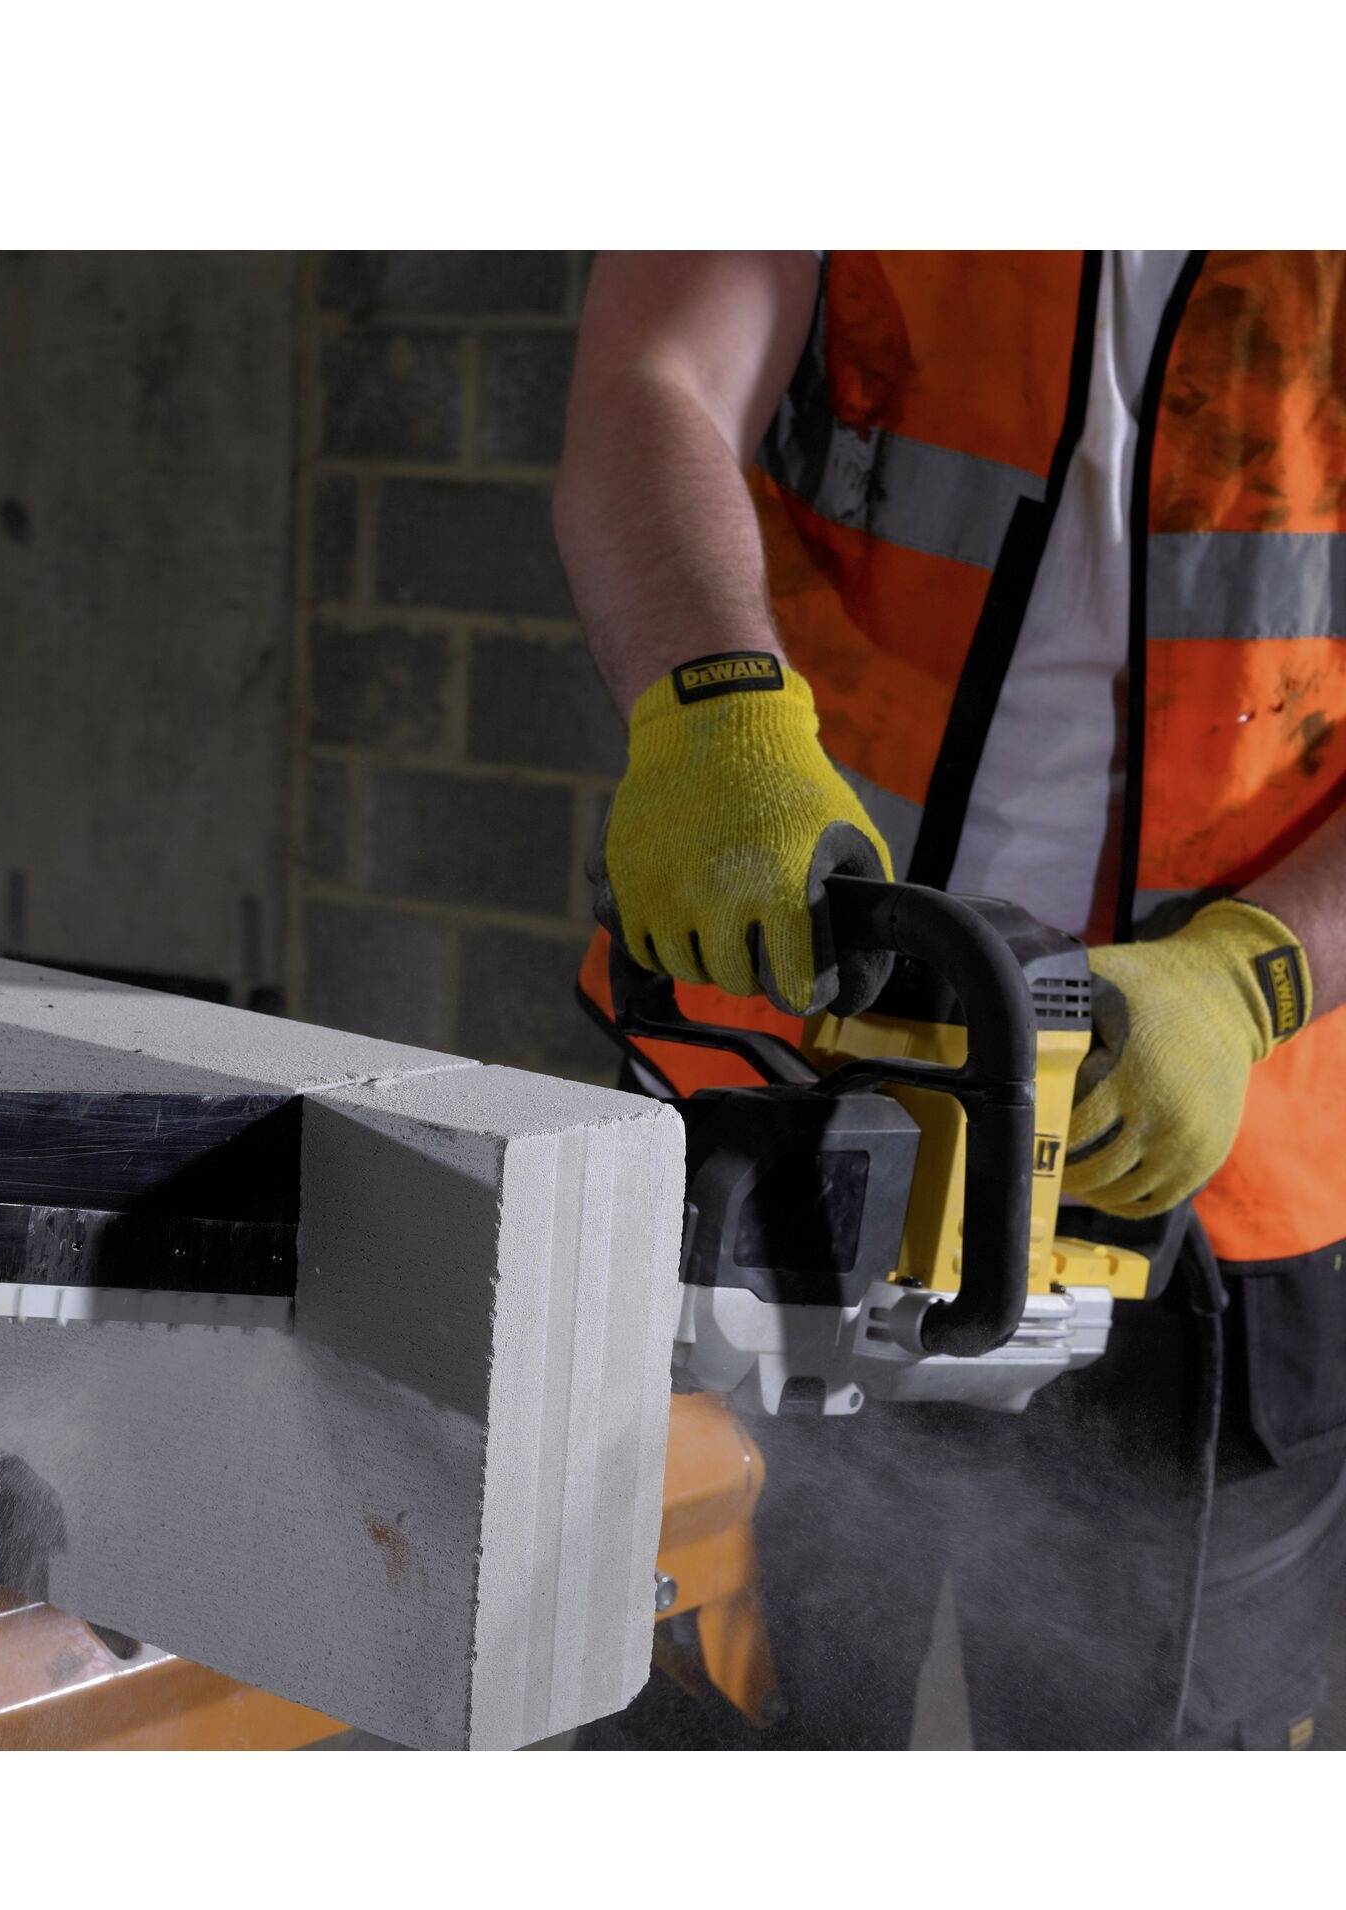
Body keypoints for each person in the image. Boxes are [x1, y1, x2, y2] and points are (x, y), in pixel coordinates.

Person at [556, 252, 1346, 1749]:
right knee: (692, 1731)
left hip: (1214, 1160)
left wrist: (1260, 975)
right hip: (778, 1092)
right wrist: (714, 713)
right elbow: (657, 376)